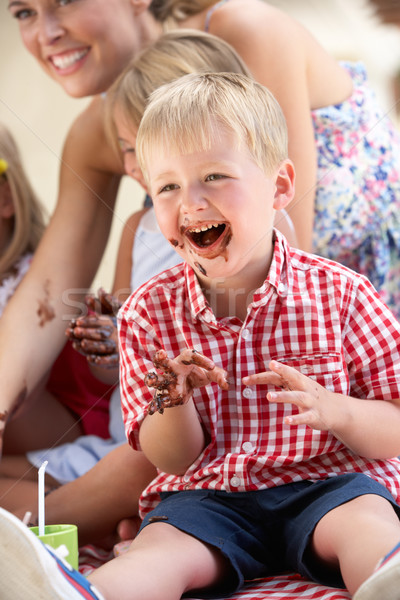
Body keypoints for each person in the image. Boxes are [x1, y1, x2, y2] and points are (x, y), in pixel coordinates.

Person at [3, 71, 400, 600]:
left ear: (279, 186)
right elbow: (171, 460)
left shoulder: (341, 294)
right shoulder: (149, 310)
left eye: (214, 176)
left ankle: (385, 579)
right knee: (161, 548)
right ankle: (86, 594)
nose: (189, 202)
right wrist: (173, 402)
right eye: (166, 186)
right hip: (211, 496)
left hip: (330, 484)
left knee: (367, 523)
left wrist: (339, 411)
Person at [3, 0, 400, 462]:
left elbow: (289, 273)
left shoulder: (246, 34)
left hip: (334, 357)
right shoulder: (96, 132)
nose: (46, 32)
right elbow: (49, 288)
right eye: (23, 12)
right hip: (223, 378)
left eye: (65, 1)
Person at [0, 123, 119, 512]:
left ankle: (81, 509)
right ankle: (65, 513)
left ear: (5, 197)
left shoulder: (35, 282)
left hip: (80, 430)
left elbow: (19, 392)